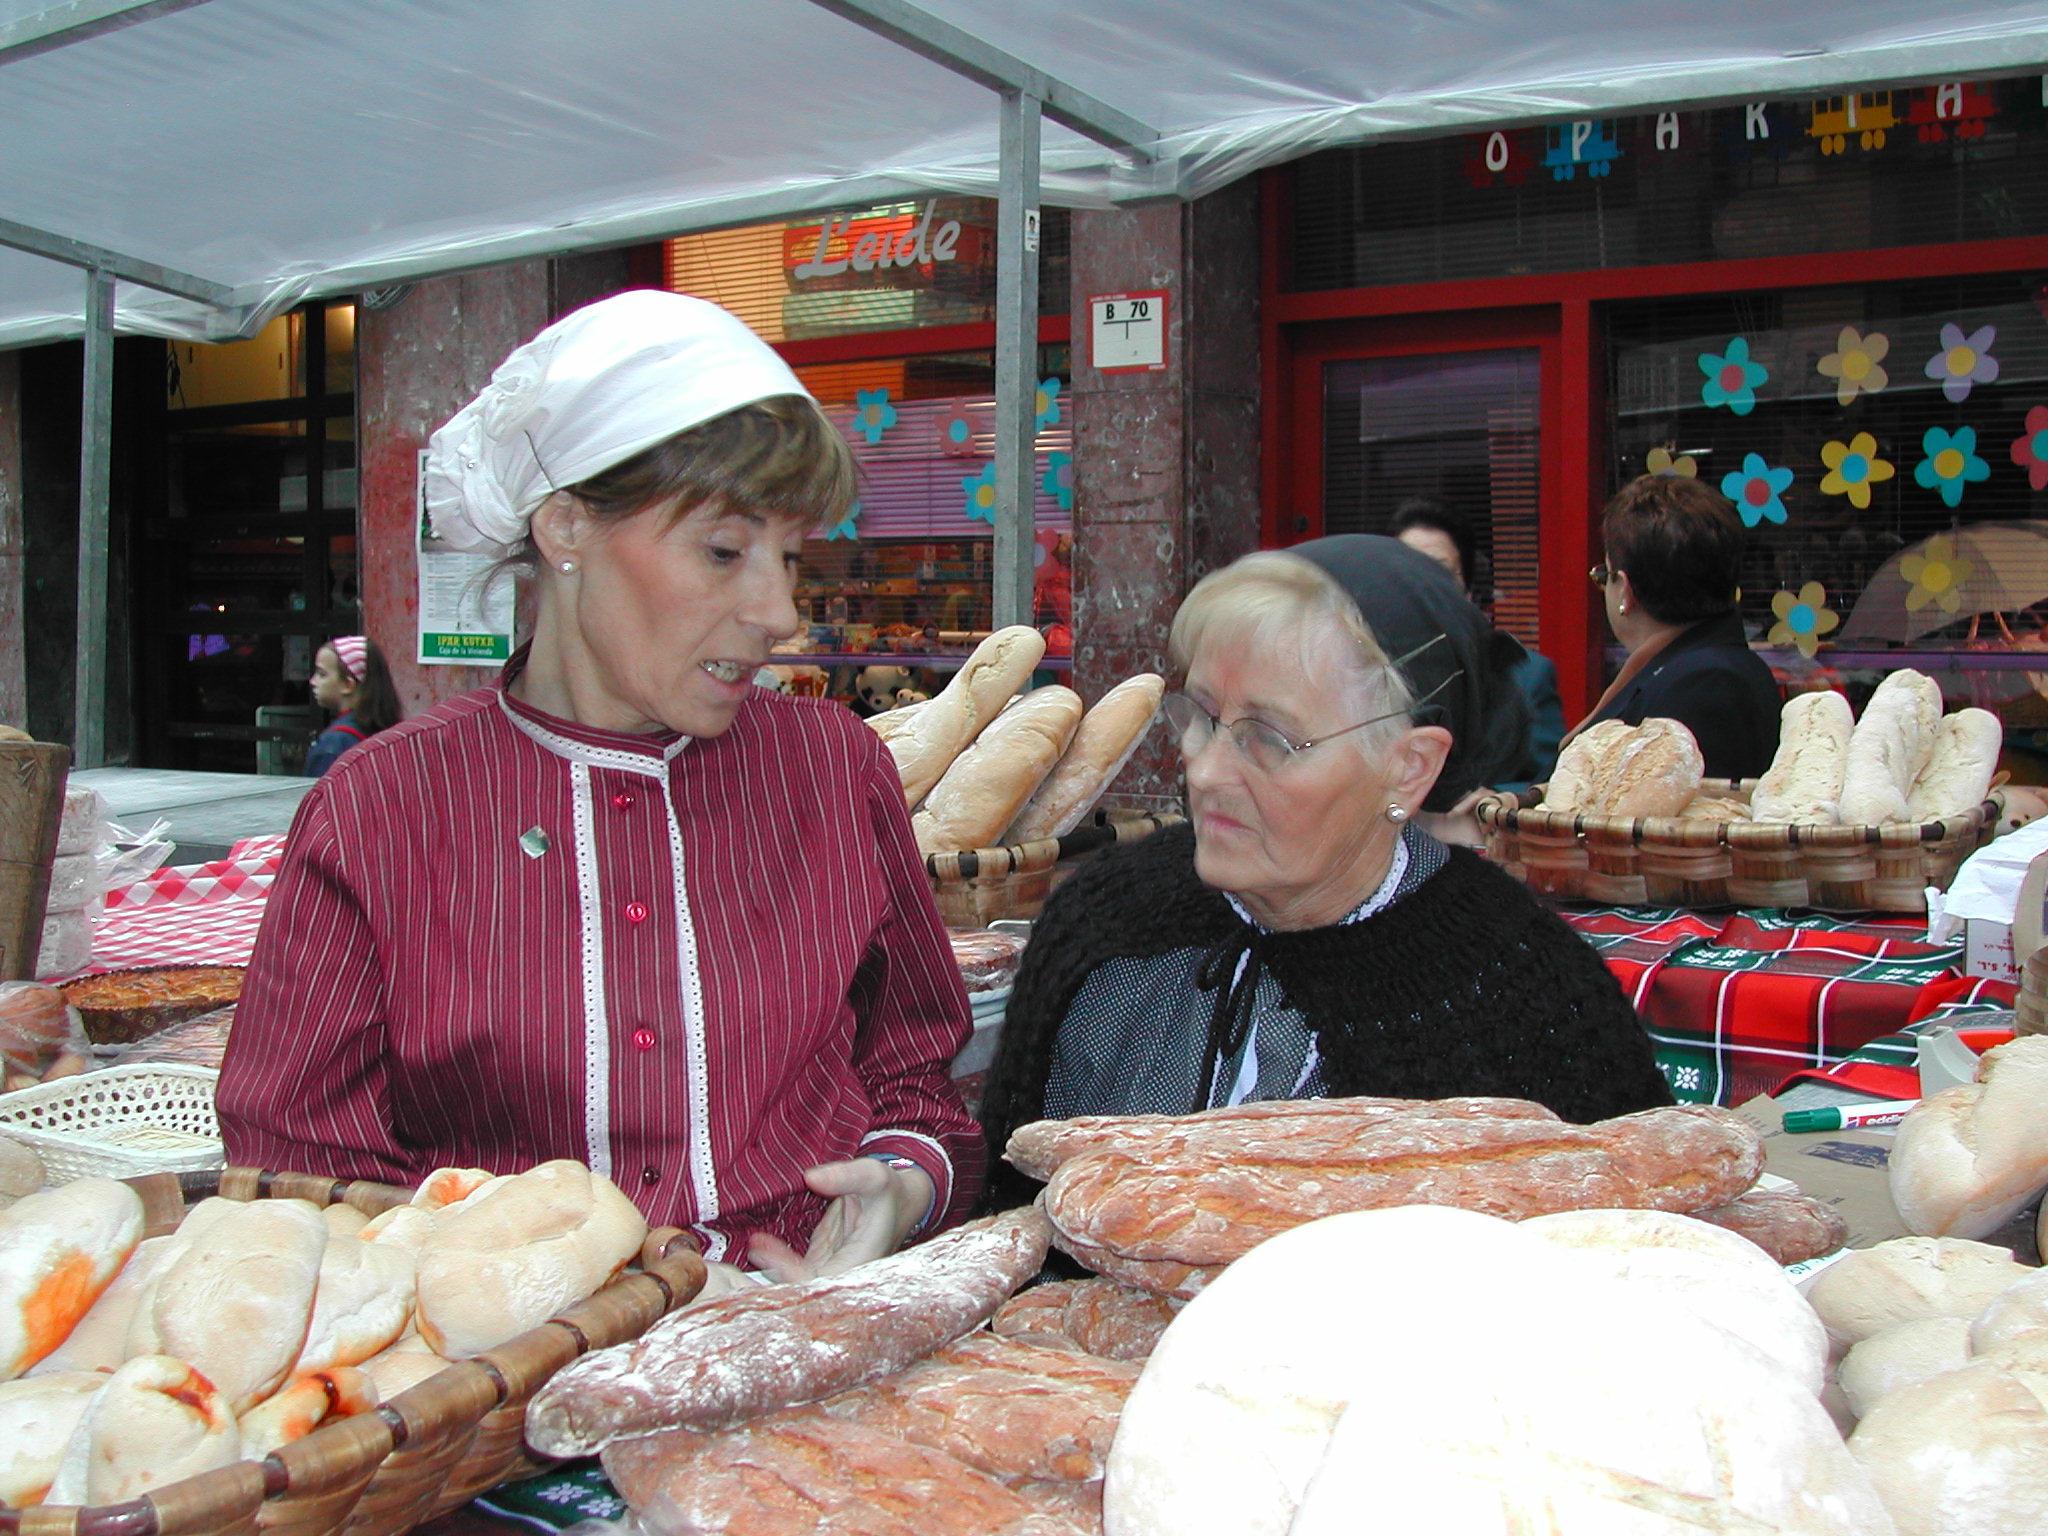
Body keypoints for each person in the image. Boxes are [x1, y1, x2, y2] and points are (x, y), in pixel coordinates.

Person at [220, 291, 982, 1290]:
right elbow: (298, 1179)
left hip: (802, 1332)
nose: (779, 611)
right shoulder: (385, 807)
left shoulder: (832, 769)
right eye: (724, 550)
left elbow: (915, 1075)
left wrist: (896, 1184)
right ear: (566, 526)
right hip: (509, 1390)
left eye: (789, 558)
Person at [977, 541, 1674, 1207]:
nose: (1206, 770)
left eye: (1268, 738)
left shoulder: (1527, 991)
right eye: (1203, 716)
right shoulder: (1104, 924)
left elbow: (1617, 1262)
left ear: (1409, 768)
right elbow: (1009, 1216)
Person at [1575, 475, 1781, 781]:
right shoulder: (1697, 667)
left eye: (1605, 575)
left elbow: (1672, 816)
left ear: (1627, 591)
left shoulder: (1705, 682)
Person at [1389, 497, 1563, 788]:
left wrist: (1489, 801)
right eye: (1406, 570)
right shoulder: (1356, 674)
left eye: (1439, 571)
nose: (1420, 585)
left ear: (1467, 590)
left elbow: (1550, 783)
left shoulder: (1526, 676)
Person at [304, 634, 399, 777]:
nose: (313, 681)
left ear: (348, 684)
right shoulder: (392, 734)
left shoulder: (334, 744)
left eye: (322, 674)